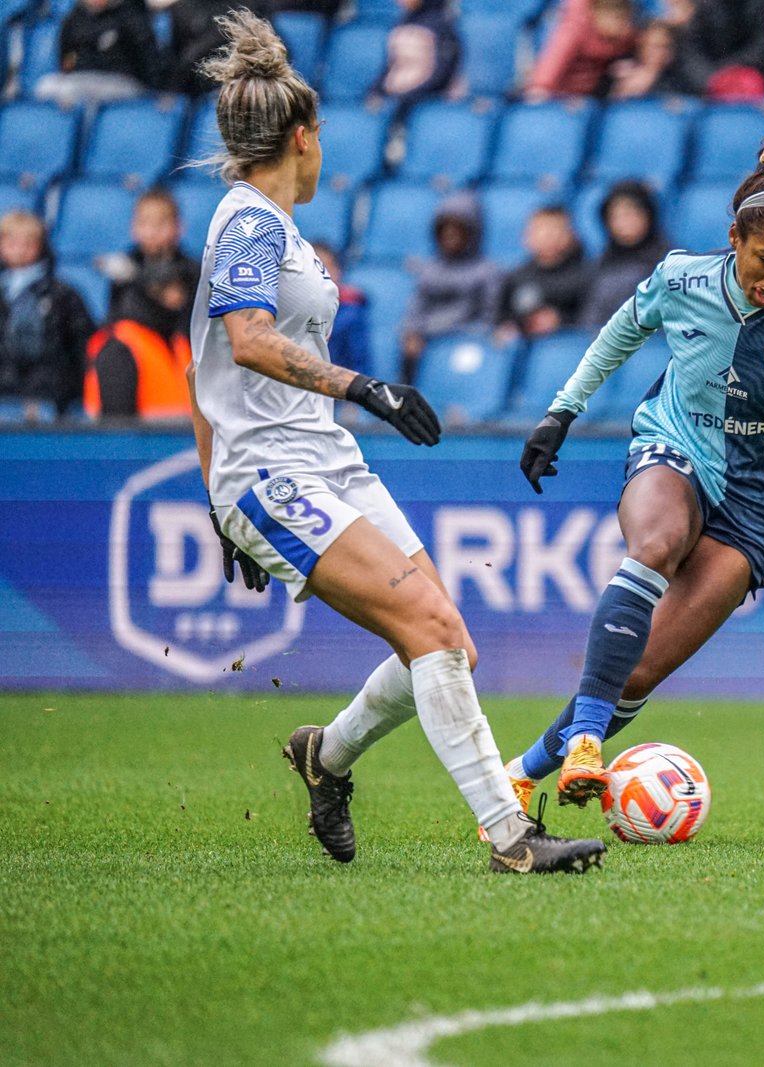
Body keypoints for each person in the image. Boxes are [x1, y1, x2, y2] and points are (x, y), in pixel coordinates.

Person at [187, 12, 603, 874]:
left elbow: (202, 374)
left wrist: (216, 490)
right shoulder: (249, 224)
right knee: (431, 627)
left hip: (325, 459)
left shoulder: (277, 229)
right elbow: (246, 343)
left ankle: (325, 756)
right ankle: (511, 836)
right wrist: (363, 389)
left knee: (449, 644)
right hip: (272, 470)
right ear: (304, 137)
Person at [503, 130, 764, 817]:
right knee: (655, 544)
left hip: (761, 506)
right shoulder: (682, 279)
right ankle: (586, 746)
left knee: (640, 672)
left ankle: (520, 772)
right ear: (734, 238)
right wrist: (560, 412)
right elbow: (617, 336)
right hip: (677, 443)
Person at [0, 210, 95, 422]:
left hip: (52, 396)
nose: (20, 250)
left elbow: (83, 345)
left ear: (41, 246)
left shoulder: (63, 295)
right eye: (12, 243)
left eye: (28, 243)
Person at [399, 191, 501, 385]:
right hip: (426, 351)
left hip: (464, 351)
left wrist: (437, 333)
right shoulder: (430, 270)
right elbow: (416, 309)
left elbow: (489, 317)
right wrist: (412, 332)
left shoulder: (487, 272)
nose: (450, 234)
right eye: (444, 228)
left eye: (457, 228)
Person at [85, 260, 192, 420]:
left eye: (180, 289)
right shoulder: (121, 344)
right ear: (151, 292)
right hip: (141, 436)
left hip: (186, 435)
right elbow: (116, 422)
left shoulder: (179, 341)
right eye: (169, 288)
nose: (178, 297)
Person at [98, 187, 202, 323]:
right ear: (133, 227)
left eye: (160, 224)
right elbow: (114, 320)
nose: (151, 232)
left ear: (179, 227)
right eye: (143, 223)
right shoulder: (124, 270)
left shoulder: (192, 272)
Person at [35, 0, 160, 107]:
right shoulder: (74, 19)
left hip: (121, 81)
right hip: (81, 78)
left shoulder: (130, 17)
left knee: (80, 94)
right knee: (45, 86)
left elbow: (148, 57)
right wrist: (70, 70)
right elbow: (67, 56)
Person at [579, 180, 669, 326]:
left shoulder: (670, 262)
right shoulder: (599, 265)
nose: (625, 223)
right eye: (616, 216)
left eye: (631, 214)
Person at [496, 206, 591, 341]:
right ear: (526, 237)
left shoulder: (587, 275)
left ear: (571, 235)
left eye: (555, 230)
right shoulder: (516, 277)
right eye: (541, 230)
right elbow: (499, 320)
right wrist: (518, 325)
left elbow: (594, 319)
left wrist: (561, 321)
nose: (548, 236)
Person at [525, 0, 638, 100]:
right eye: (615, 18)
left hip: (595, 97)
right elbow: (550, 67)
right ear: (596, 14)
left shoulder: (628, 33)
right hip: (561, 98)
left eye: (625, 19)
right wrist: (540, 89)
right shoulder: (574, 30)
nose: (620, 26)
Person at [372, 0, 461, 109]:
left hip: (420, 101)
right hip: (394, 96)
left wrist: (407, 97)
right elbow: (390, 65)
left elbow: (441, 74)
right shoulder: (401, 22)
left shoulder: (441, 26)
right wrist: (377, 91)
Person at [311, 242, 371, 378]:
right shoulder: (283, 310)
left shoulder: (351, 315)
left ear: (338, 271)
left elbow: (360, 365)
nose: (318, 276)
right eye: (311, 270)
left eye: (325, 269)